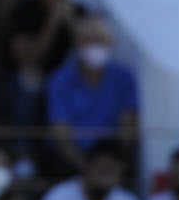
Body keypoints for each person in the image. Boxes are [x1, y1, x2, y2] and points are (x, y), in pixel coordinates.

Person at [1, 0, 85, 167]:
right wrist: (52, 23)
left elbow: (87, 59)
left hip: (64, 83)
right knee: (30, 82)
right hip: (23, 84)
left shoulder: (79, 12)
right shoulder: (25, 10)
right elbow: (28, 59)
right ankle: (24, 156)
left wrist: (72, 25)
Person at [46, 14, 138, 175]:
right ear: (77, 44)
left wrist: (115, 162)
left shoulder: (124, 77)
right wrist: (84, 166)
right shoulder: (60, 79)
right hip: (72, 159)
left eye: (99, 40)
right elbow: (61, 131)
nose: (94, 46)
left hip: (112, 155)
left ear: (111, 43)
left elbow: (128, 125)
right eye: (88, 40)